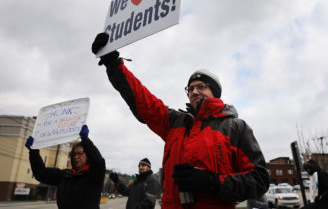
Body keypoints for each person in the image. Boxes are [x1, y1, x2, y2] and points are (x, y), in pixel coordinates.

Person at [91, 33, 269, 209]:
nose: (194, 92)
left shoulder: (235, 127)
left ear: (214, 92)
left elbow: (259, 180)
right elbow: (142, 99)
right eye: (190, 88)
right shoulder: (175, 122)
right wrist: (112, 63)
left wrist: (212, 182)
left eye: (201, 87)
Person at [25, 125, 106, 209]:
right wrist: (34, 152)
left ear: (88, 155)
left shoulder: (94, 176)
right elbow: (41, 173)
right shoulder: (65, 175)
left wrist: (86, 141)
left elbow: (99, 162)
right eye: (74, 154)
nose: (76, 157)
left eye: (80, 153)